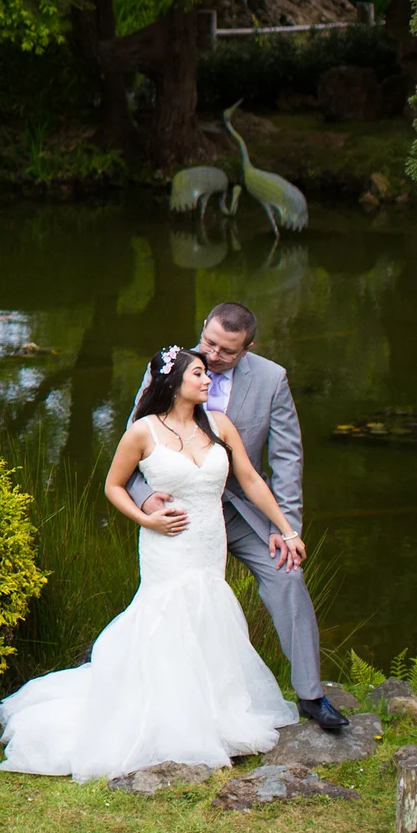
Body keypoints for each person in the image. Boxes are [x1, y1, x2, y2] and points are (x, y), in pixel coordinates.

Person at [0, 346, 299, 779]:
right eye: (199, 373)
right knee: (167, 614)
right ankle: (167, 715)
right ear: (175, 382)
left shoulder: (218, 425)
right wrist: (146, 519)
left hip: (209, 543)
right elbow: (114, 486)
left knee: (208, 613)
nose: (208, 380)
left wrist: (286, 529)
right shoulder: (142, 431)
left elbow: (249, 478)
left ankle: (213, 711)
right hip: (166, 543)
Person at [132, 302, 345, 732]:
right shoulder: (170, 365)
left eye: (226, 350)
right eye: (208, 341)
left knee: (288, 578)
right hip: (181, 510)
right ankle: (169, 698)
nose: (211, 355)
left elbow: (285, 459)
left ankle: (311, 695)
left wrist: (287, 530)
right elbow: (133, 442)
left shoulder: (272, 379)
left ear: (247, 349)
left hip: (244, 510)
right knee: (176, 597)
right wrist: (148, 499)